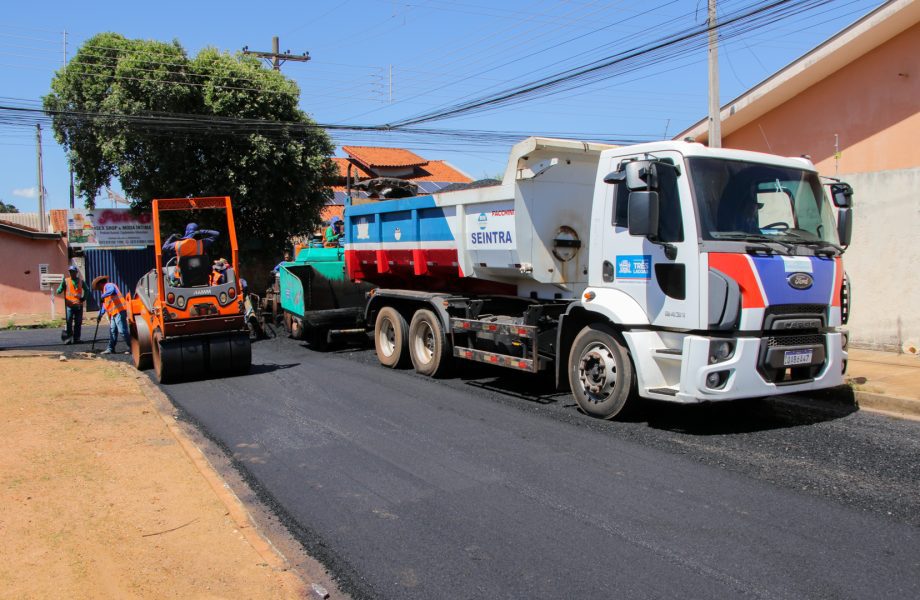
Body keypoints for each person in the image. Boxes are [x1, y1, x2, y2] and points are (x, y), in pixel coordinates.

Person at [55, 265, 92, 344]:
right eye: (70, 272)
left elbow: (87, 290)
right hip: (69, 306)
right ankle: (68, 338)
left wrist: (84, 298)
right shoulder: (66, 281)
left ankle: (76, 338)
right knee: (69, 322)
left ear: (76, 272)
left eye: (73, 272)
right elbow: (59, 290)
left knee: (78, 323)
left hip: (78, 305)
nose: (72, 273)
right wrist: (59, 289)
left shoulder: (81, 281)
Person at [98, 282, 130, 355]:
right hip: (113, 313)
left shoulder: (108, 285)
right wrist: (100, 315)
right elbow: (105, 306)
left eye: (98, 287)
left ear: (100, 284)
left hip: (120, 310)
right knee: (112, 331)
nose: (99, 290)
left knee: (122, 331)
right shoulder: (105, 293)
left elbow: (112, 290)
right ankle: (110, 348)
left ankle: (133, 347)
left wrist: (103, 296)